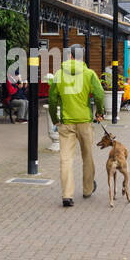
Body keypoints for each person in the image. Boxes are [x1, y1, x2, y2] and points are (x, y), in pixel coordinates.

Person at [48, 46, 105, 208]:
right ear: (83, 57)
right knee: (87, 156)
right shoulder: (89, 74)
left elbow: (52, 100)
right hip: (85, 122)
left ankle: (67, 195)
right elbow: (100, 94)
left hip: (66, 123)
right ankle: (87, 189)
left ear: (70, 56)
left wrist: (55, 119)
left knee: (66, 159)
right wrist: (99, 112)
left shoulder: (59, 74)